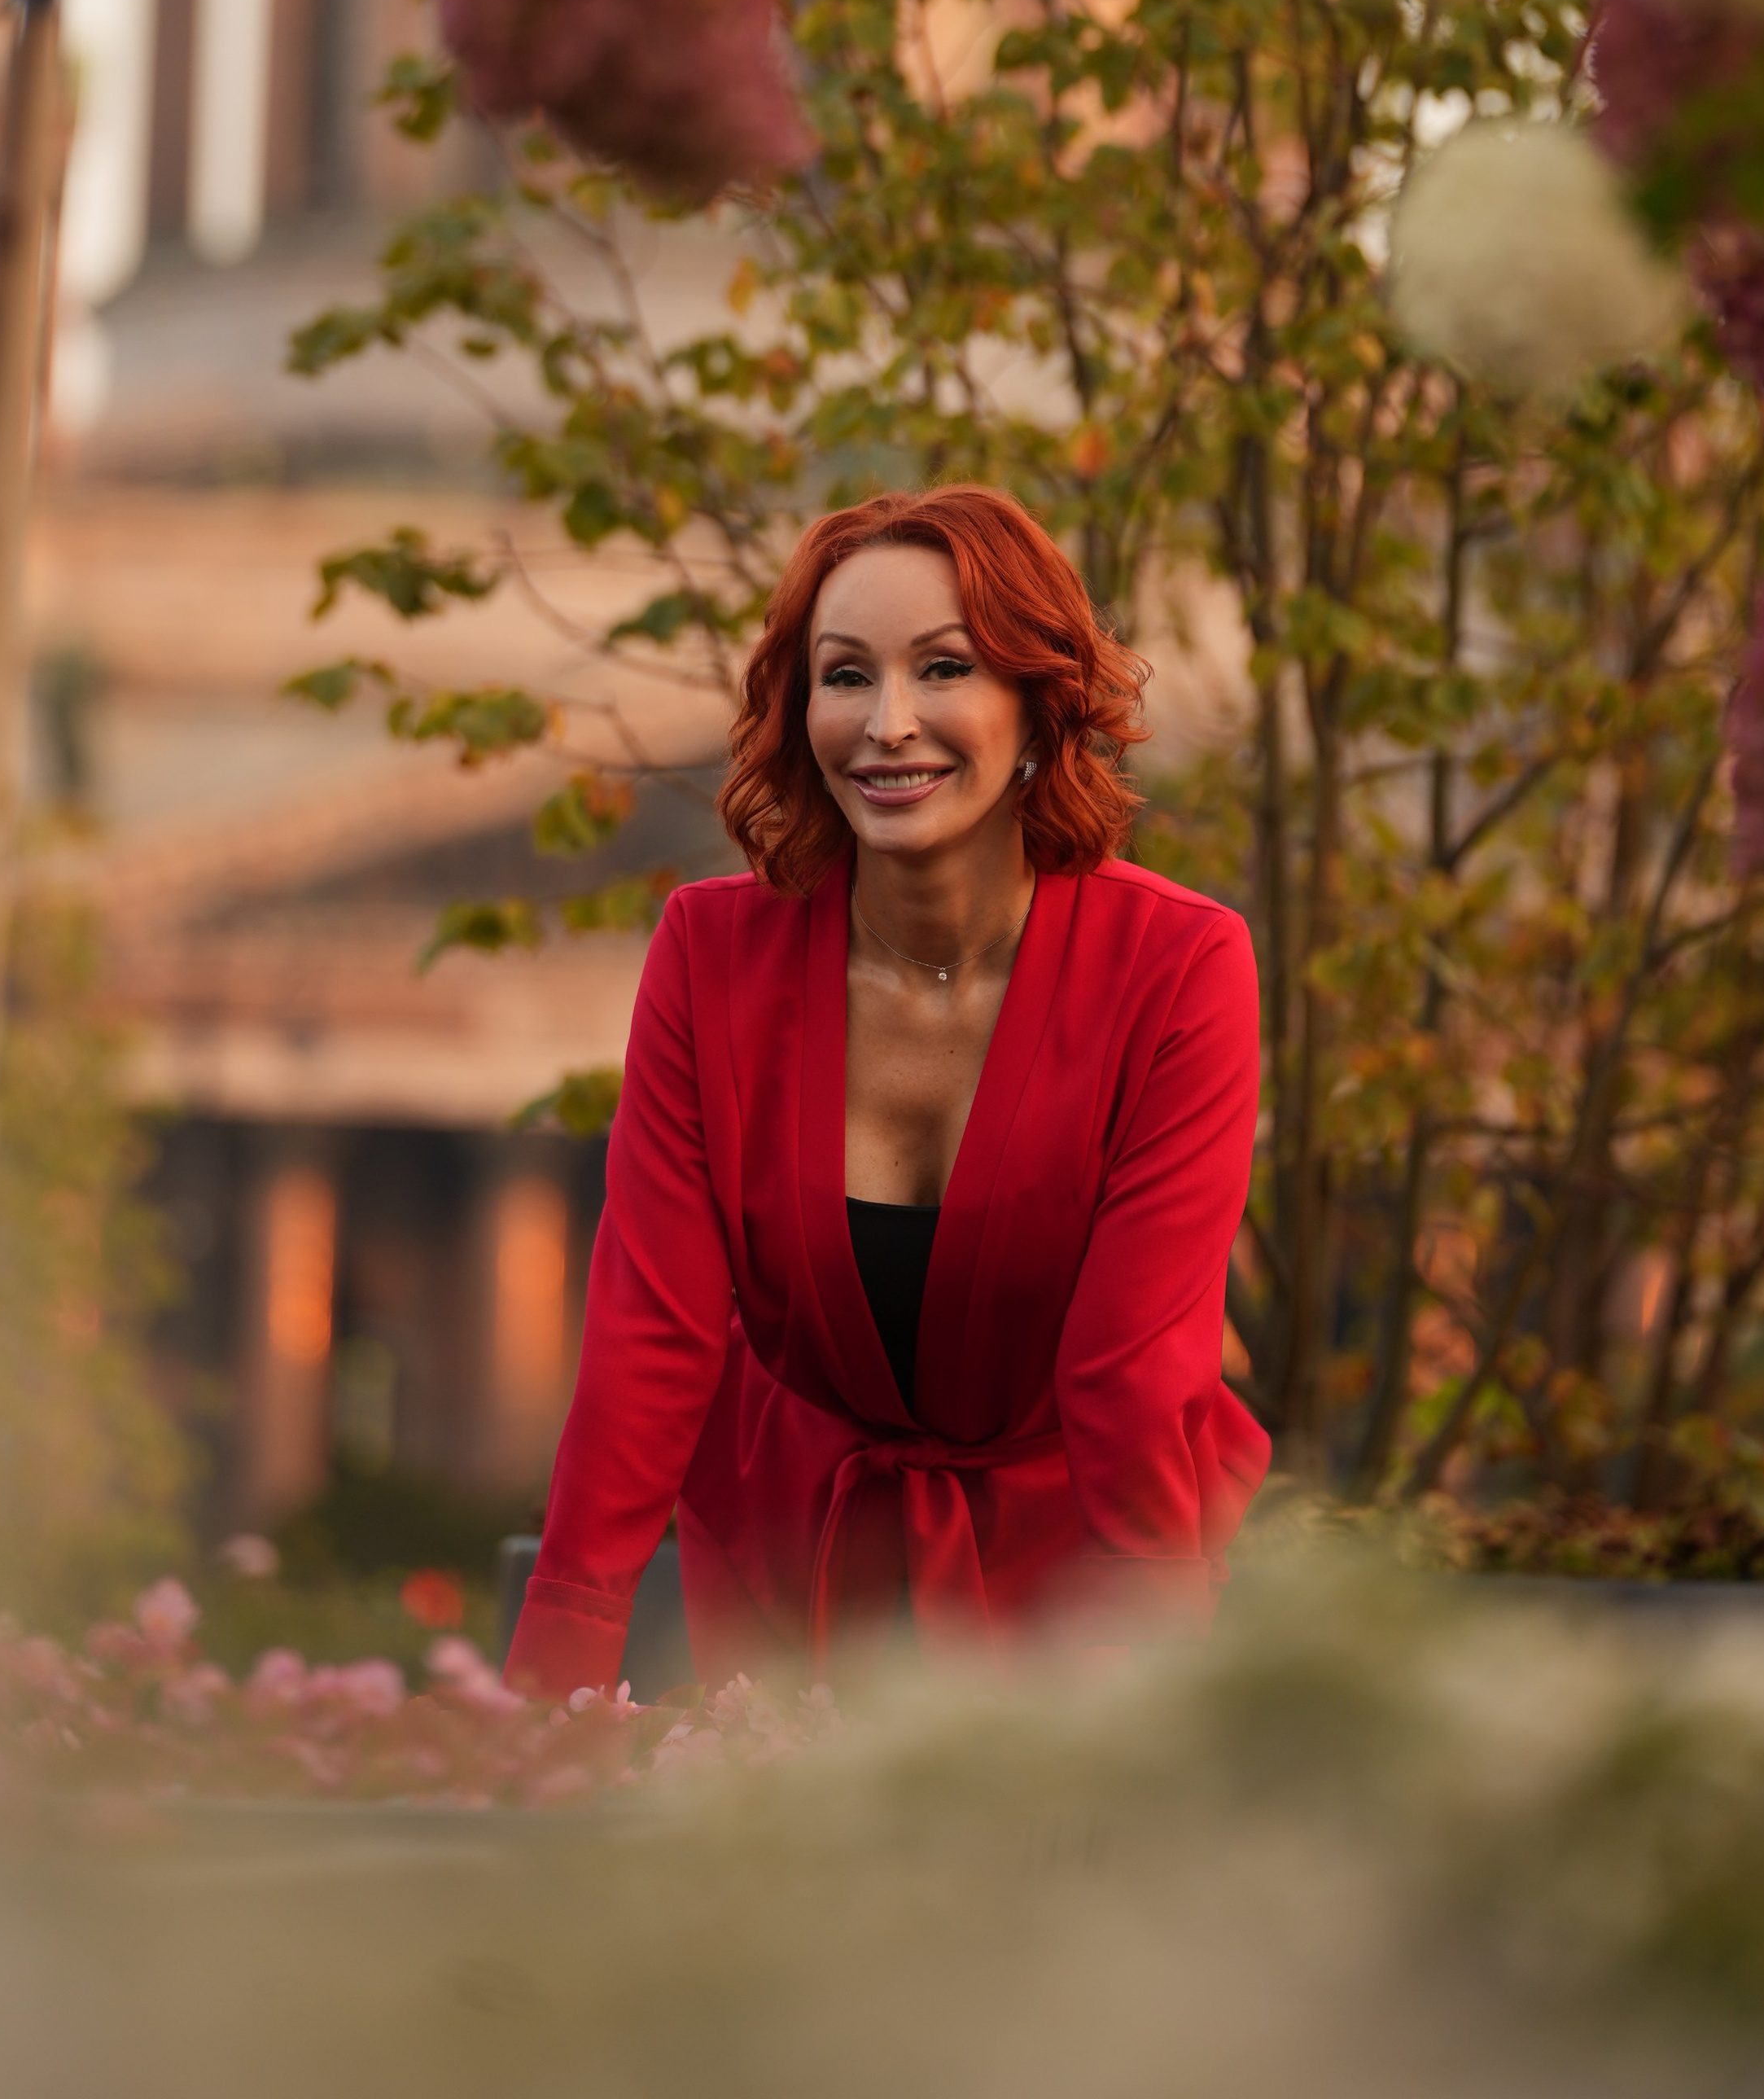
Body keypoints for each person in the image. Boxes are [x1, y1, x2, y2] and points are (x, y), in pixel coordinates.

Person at [503, 484, 1267, 1696]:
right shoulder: (709, 957)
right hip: (786, 1571)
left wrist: (1150, 1701)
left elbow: (1135, 1373)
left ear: (1038, 704)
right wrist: (556, 1677)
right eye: (846, 676)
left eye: (946, 668)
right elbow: (651, 1338)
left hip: (1082, 1581)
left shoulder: (1181, 968)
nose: (889, 723)